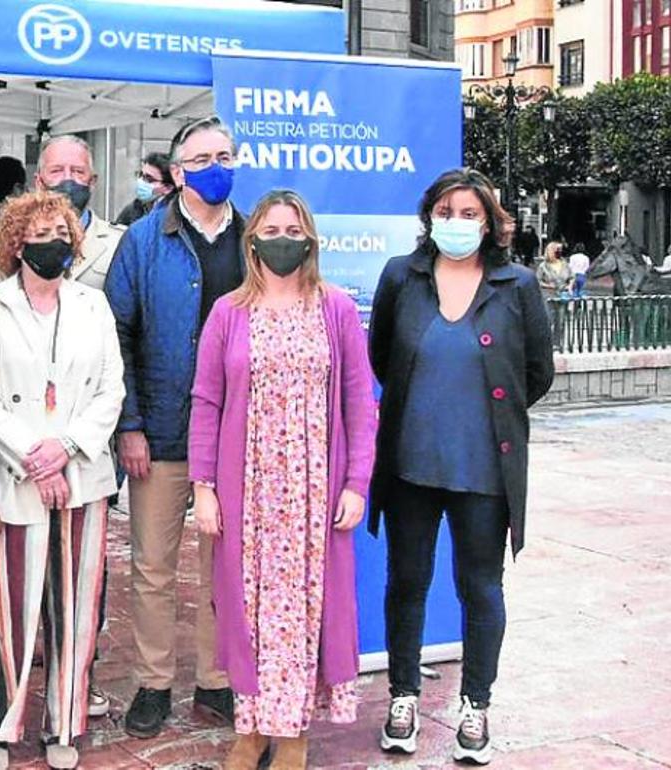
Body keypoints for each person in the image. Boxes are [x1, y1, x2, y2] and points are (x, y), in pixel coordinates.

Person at [368, 168, 554, 766]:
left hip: (484, 472)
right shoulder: (403, 276)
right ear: (429, 216)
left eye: (469, 213)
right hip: (410, 468)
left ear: (490, 221)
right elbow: (382, 359)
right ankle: (403, 698)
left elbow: (537, 372)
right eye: (446, 210)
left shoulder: (517, 285)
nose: (456, 222)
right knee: (407, 584)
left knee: (480, 588)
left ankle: (476, 705)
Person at [189, 190, 377, 770]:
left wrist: (356, 483)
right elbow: (206, 402)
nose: (281, 237)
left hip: (314, 493)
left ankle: (292, 733)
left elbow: (358, 400)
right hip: (248, 491)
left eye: (292, 228)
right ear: (252, 242)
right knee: (250, 612)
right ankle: (251, 730)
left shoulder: (336, 309)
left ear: (310, 239)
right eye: (270, 228)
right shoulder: (229, 312)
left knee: (305, 613)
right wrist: (203, 487)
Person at [0, 192, 124, 770]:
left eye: (61, 229)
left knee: (77, 606)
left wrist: (66, 450)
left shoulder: (94, 306)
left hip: (82, 475)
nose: (51, 238)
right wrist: (34, 457)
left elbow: (111, 389)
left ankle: (65, 724)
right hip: (13, 475)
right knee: (8, 607)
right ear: (15, 241)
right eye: (38, 230)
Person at [105, 115, 242, 739]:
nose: (218, 165)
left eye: (227, 154)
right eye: (204, 157)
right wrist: (128, 424)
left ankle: (217, 682)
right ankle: (154, 683)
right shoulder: (142, 239)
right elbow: (119, 336)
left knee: (226, 567)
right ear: (180, 171)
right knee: (153, 567)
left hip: (238, 438)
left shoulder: (255, 237)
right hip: (160, 431)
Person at [0, 135, 125, 292]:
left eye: (78, 171)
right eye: (56, 171)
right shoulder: (11, 237)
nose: (68, 179)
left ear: (92, 182)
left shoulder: (118, 242)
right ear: (39, 182)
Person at [116, 152, 175, 227]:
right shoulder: (132, 210)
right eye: (141, 175)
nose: (141, 181)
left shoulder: (177, 214)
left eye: (149, 179)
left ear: (168, 188)